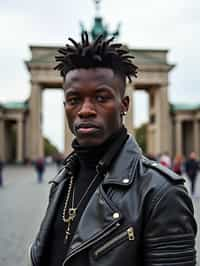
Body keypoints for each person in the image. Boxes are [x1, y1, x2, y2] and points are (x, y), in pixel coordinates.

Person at [28, 32, 197, 266]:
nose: (85, 110)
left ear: (124, 105)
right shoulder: (61, 183)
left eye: (101, 97)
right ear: (65, 104)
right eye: (74, 99)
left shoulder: (161, 193)